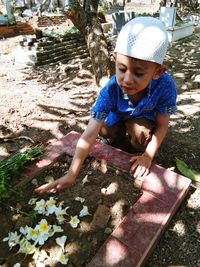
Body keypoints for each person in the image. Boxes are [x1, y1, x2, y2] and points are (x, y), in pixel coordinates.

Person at [35, 16, 177, 194]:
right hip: (116, 117)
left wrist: (147, 157)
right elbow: (89, 133)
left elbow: (163, 124)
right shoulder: (110, 89)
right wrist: (71, 174)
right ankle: (116, 138)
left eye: (139, 73)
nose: (127, 80)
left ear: (158, 72)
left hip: (142, 119)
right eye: (122, 69)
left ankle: (138, 145)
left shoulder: (165, 86)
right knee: (106, 130)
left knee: (141, 135)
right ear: (114, 59)